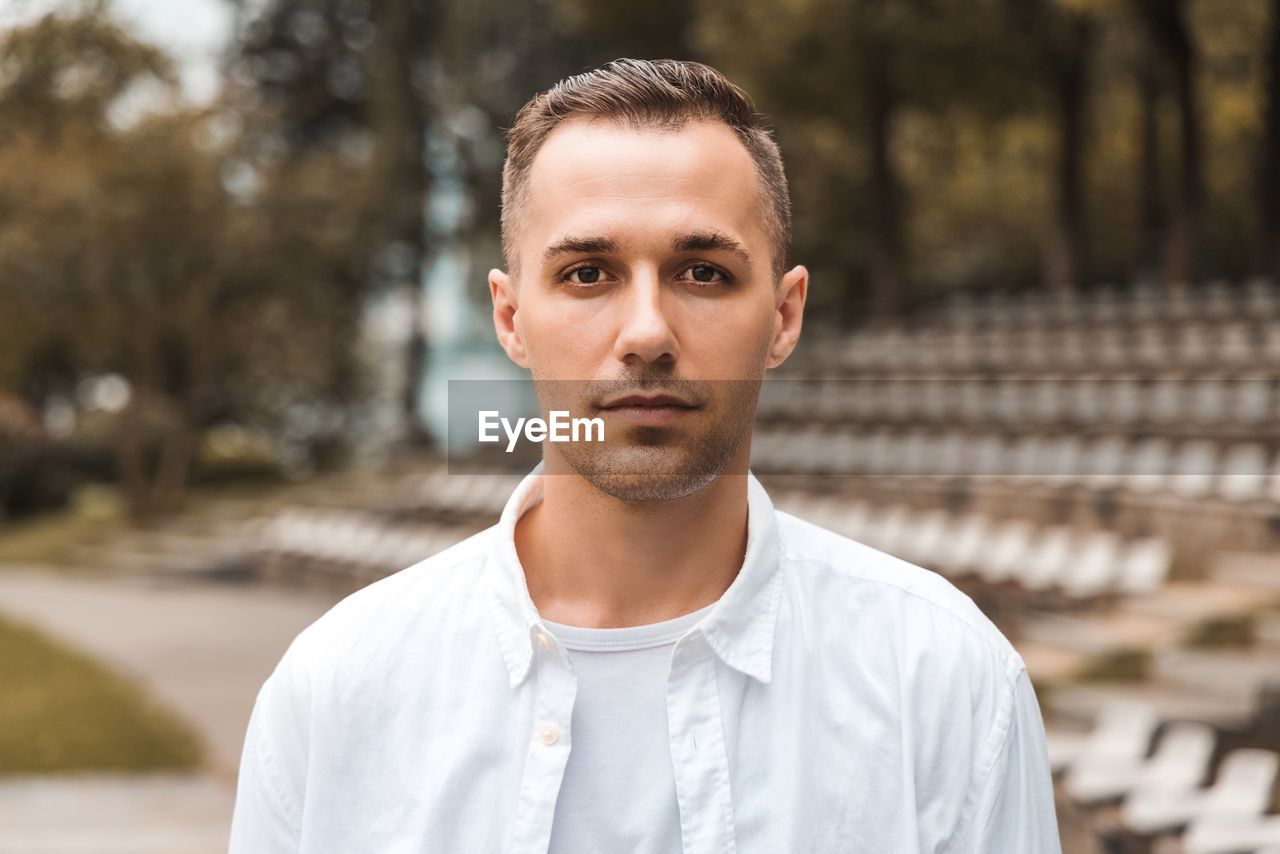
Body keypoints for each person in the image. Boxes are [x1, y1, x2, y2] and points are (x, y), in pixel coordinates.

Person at [229, 58, 1061, 853]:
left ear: (784, 314)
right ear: (512, 318)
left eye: (702, 271)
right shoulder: (340, 688)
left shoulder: (946, 680)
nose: (647, 334)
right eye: (588, 273)